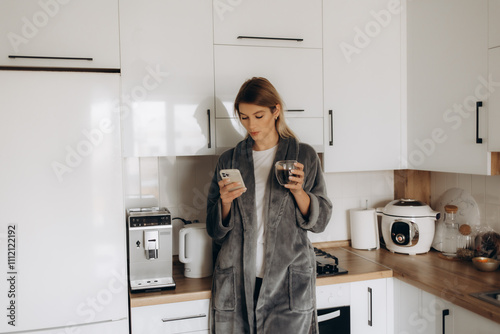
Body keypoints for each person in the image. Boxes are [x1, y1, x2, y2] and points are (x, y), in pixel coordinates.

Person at [206, 77, 332, 333]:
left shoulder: (303, 156)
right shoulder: (229, 160)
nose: (251, 125)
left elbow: (320, 222)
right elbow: (214, 230)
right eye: (244, 117)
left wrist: (298, 191)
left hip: (288, 283)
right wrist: (225, 203)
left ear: (276, 111)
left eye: (258, 115)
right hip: (238, 280)